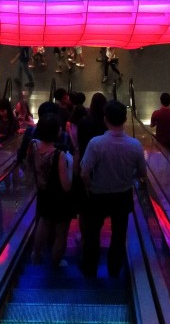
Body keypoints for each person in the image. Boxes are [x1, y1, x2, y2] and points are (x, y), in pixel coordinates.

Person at [79, 100, 147, 278]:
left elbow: (84, 171)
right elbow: (142, 172)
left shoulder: (96, 143)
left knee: (92, 233)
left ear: (105, 119)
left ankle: (89, 268)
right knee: (119, 234)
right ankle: (114, 268)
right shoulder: (135, 145)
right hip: (122, 196)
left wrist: (89, 186)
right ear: (125, 119)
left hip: (98, 194)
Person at [28, 114, 75, 267]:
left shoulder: (33, 145)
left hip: (43, 193)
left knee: (43, 222)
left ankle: (36, 254)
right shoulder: (58, 155)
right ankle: (56, 261)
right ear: (56, 132)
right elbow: (65, 185)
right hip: (59, 198)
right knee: (61, 231)